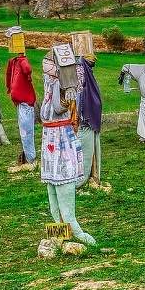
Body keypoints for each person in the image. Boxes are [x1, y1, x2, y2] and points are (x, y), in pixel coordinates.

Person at [40, 47, 95, 246]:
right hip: (51, 136)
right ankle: (60, 228)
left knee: (63, 179)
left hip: (60, 135)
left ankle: (71, 225)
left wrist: (63, 90)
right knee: (53, 183)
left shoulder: (62, 83)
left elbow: (57, 107)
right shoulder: (51, 81)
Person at [70, 31, 106, 188]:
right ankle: (79, 181)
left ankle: (93, 176)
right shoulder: (80, 71)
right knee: (84, 151)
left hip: (88, 119)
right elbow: (79, 95)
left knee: (89, 148)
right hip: (84, 119)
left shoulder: (86, 71)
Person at [4, 27, 37, 171]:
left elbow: (28, 69)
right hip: (20, 103)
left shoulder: (22, 61)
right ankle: (27, 157)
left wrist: (23, 57)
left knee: (26, 131)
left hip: (25, 103)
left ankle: (31, 159)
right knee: (23, 131)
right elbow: (10, 77)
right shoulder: (14, 61)